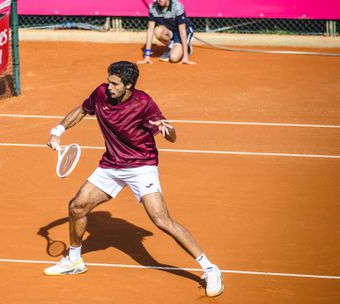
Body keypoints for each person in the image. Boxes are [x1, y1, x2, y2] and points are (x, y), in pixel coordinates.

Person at [44, 61, 223, 297]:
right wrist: (57, 131)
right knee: (77, 207)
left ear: (128, 85)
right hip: (111, 164)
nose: (109, 87)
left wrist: (168, 130)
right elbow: (82, 110)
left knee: (161, 219)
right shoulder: (100, 94)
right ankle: (75, 262)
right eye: (109, 81)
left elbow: (171, 137)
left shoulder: (144, 103)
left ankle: (210, 268)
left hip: (141, 166)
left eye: (115, 83)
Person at [137, 0, 195, 65]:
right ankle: (172, 46)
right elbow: (150, 30)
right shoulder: (152, 7)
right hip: (169, 30)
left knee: (174, 58)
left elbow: (182, 31)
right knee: (157, 31)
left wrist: (185, 56)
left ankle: (188, 49)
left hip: (184, 31)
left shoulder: (177, 6)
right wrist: (147, 56)